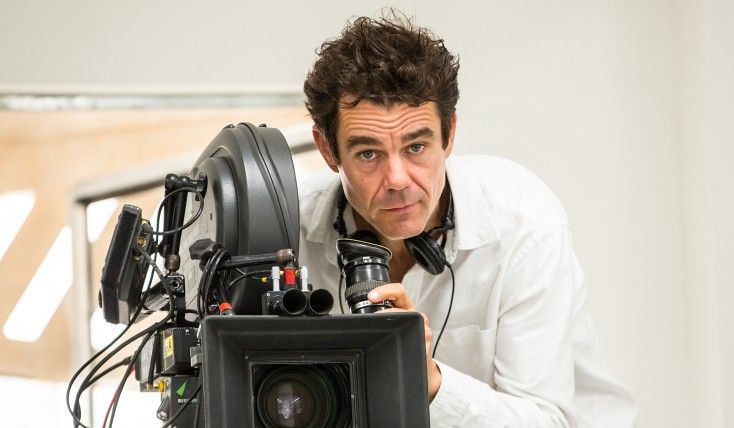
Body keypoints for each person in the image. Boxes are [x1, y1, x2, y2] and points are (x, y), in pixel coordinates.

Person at [297, 12, 636, 427]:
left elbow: (547, 421)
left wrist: (429, 380)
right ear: (328, 150)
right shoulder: (289, 227)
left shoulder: (523, 222)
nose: (398, 180)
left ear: (449, 133)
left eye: (416, 147)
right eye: (368, 153)